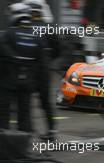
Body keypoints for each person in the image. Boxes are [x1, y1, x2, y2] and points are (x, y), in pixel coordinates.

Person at [1, 3, 44, 132]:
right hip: (28, 83)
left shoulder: (8, 34)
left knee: (4, 114)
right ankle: (23, 145)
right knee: (24, 115)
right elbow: (41, 63)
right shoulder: (36, 37)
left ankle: (5, 146)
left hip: (8, 82)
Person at [24, 0, 60, 141]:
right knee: (46, 102)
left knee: (25, 101)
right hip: (44, 71)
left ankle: (27, 131)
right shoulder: (49, 27)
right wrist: (48, 60)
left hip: (29, 70)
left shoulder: (26, 26)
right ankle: (51, 132)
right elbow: (58, 49)